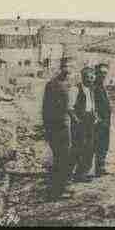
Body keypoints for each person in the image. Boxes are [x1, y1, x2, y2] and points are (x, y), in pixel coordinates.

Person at [42, 56, 75, 200]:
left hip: (65, 124)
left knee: (64, 157)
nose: (68, 70)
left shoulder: (68, 84)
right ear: (60, 68)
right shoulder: (52, 84)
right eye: (65, 67)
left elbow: (68, 107)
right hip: (56, 126)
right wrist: (47, 128)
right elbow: (46, 108)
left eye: (70, 67)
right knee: (59, 158)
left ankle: (60, 188)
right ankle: (56, 191)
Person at [71, 66, 99, 183]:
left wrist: (95, 115)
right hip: (80, 120)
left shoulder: (91, 89)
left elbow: (92, 105)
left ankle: (84, 172)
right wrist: (76, 120)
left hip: (90, 120)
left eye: (92, 77)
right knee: (79, 146)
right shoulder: (76, 89)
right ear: (83, 77)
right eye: (88, 77)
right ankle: (75, 173)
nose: (90, 79)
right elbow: (71, 107)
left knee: (90, 147)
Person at [93, 63, 112, 176]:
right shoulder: (94, 86)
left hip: (105, 120)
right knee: (97, 143)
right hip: (98, 120)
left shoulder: (102, 86)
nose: (103, 75)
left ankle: (101, 166)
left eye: (105, 73)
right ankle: (95, 168)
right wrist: (97, 117)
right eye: (101, 73)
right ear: (97, 73)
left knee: (104, 143)